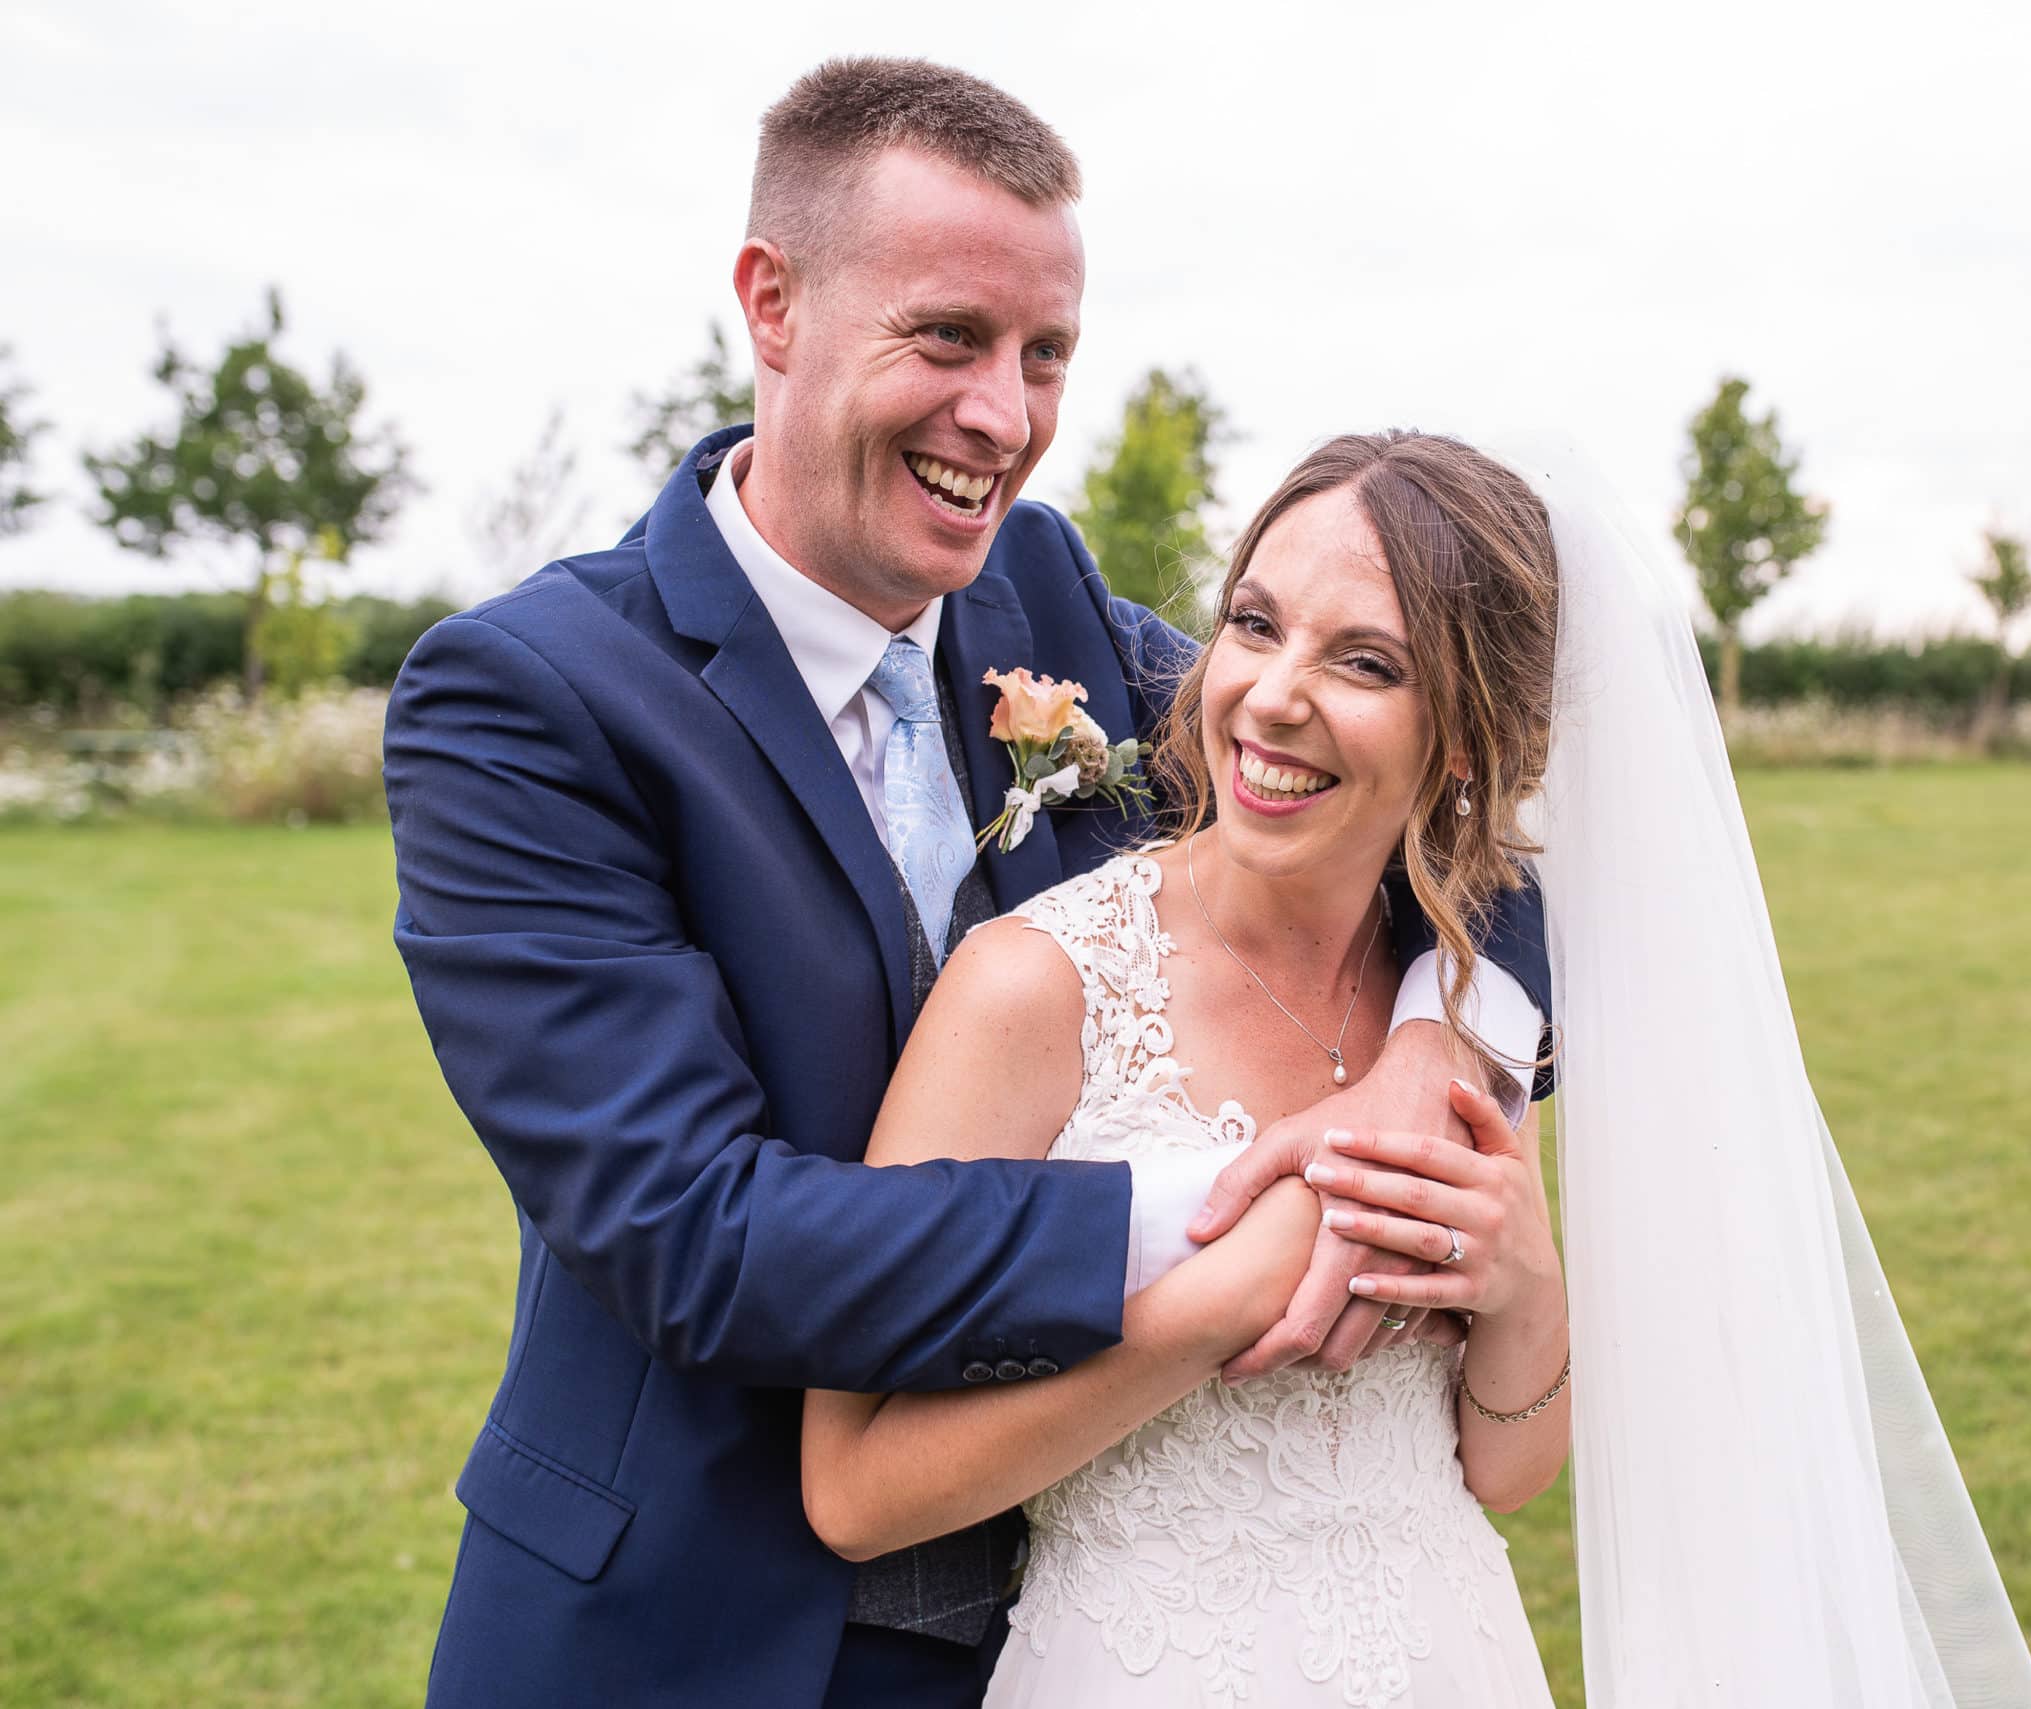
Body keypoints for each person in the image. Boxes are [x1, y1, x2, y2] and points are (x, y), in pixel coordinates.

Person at [383, 61, 1550, 1709]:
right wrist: (1214, 1208)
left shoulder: (1047, 594)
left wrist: (1441, 1036)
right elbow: (697, 1232)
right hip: (692, 1623)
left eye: (1044, 353)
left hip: (1071, 1613)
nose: (1002, 414)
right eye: (946, 337)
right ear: (771, 304)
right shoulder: (530, 698)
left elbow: (1413, 788)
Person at [802, 431, 2031, 1708]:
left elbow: (1502, 1468)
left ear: (1466, 740)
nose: (1274, 693)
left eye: (1366, 661)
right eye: (1253, 622)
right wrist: (1211, 1309)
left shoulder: (1459, 1002)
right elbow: (850, 1490)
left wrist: (1517, 1288)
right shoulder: (1034, 987)